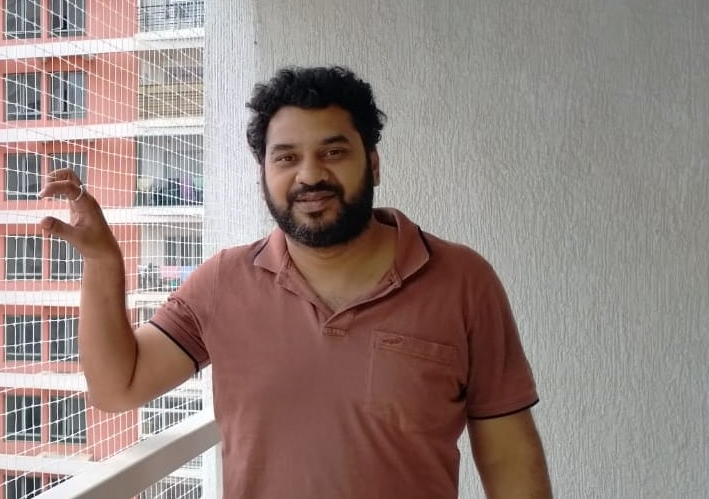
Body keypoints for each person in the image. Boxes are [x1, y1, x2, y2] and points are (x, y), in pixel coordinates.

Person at [38, 66, 552, 498]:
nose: (310, 176)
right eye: (286, 157)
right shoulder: (222, 283)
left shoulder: (462, 280)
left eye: (333, 152)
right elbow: (117, 387)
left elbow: (508, 453)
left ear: (372, 164)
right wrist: (104, 264)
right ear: (263, 172)